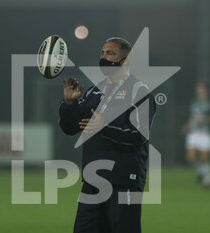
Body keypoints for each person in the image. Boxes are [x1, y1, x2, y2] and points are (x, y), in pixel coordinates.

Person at [59, 37, 156, 233]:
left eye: (110, 53)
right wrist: (69, 104)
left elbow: (139, 135)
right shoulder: (95, 91)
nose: (104, 58)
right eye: (102, 53)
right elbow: (70, 128)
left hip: (124, 181)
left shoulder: (139, 91)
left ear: (126, 60)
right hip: (93, 182)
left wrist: (105, 127)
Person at [182, 81, 210, 188]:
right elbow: (192, 118)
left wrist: (205, 119)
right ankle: (201, 171)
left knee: (204, 158)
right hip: (193, 133)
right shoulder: (193, 103)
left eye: (201, 88)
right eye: (198, 88)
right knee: (190, 158)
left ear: (206, 91)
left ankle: (208, 181)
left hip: (206, 134)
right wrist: (187, 126)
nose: (199, 91)